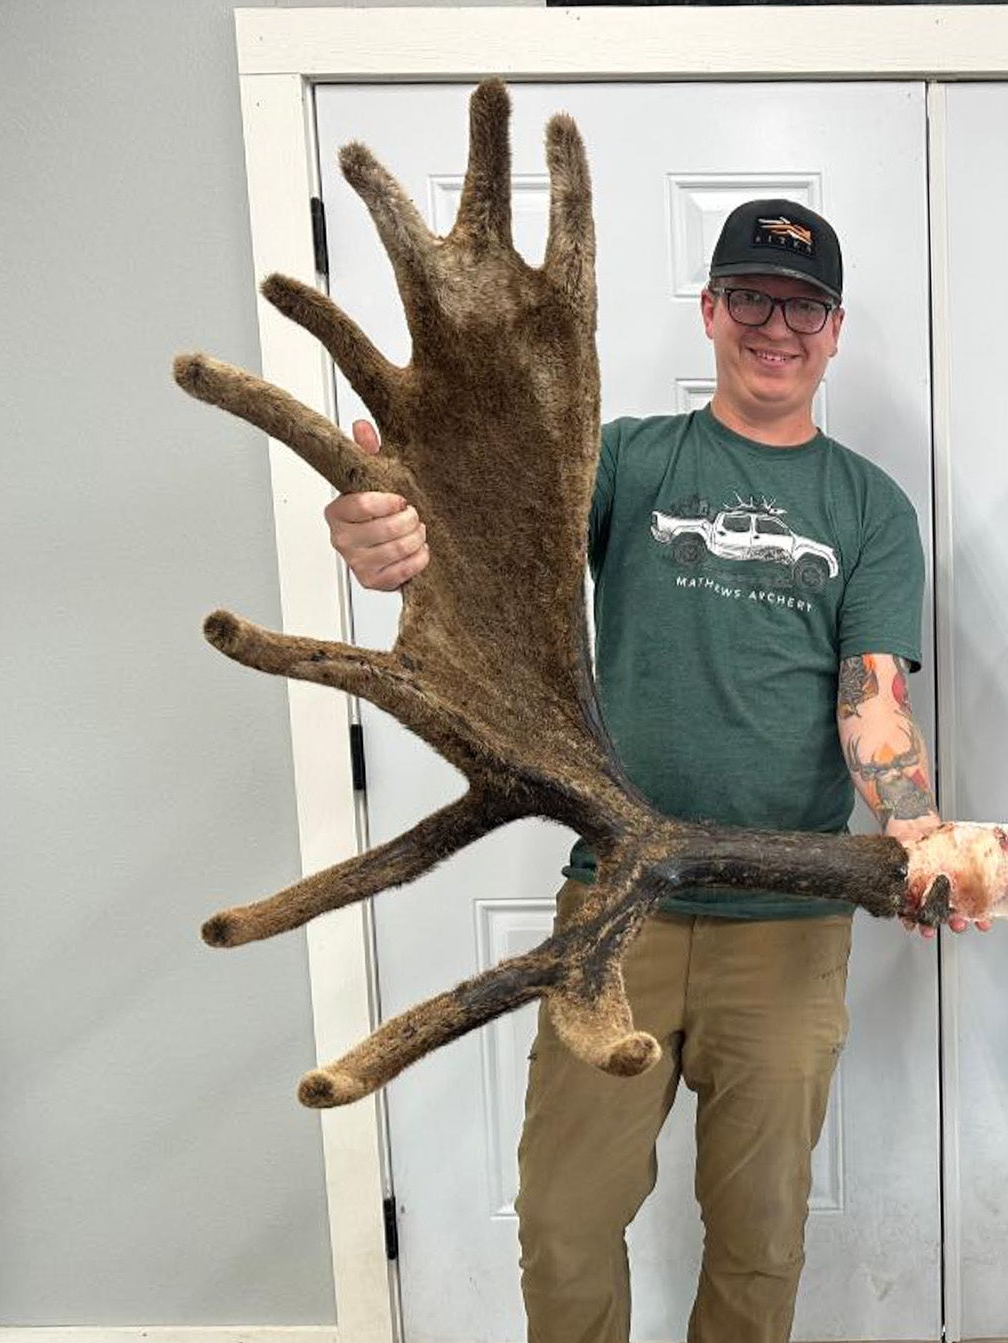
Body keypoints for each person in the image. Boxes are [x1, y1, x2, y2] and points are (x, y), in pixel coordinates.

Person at [325, 199, 947, 1343]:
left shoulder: (867, 506)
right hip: (613, 912)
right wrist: (395, 535)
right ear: (710, 310)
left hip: (786, 921)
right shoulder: (626, 462)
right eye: (750, 296)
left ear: (834, 328)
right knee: (564, 1222)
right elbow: (480, 546)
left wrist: (911, 823)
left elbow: (871, 694)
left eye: (800, 304)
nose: (775, 324)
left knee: (759, 1237)